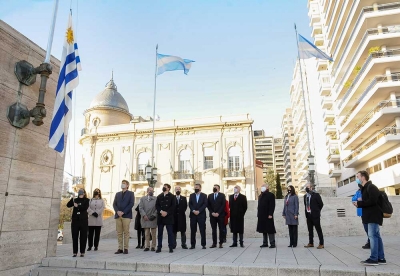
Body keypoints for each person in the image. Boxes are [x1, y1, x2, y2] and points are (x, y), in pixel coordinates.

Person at [353, 170, 386, 266]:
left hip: (373, 216)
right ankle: (381, 258)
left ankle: (374, 258)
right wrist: (359, 202)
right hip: (368, 216)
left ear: (363, 177)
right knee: (376, 236)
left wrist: (359, 203)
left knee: (372, 236)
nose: (357, 179)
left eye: (358, 176)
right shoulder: (364, 188)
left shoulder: (371, 187)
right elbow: (368, 201)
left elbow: (372, 201)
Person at [112, 180, 135, 254]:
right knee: (119, 233)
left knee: (126, 232)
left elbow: (131, 204)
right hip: (118, 215)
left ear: (127, 185)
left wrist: (123, 212)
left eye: (124, 183)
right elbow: (114, 204)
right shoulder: (117, 194)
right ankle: (120, 248)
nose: (123, 185)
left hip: (126, 216)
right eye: (122, 183)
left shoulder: (131, 194)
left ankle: (126, 248)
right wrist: (117, 211)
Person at [67, 188, 89, 257]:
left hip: (83, 221)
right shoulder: (75, 200)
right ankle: (75, 252)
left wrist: (78, 206)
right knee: (75, 236)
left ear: (84, 193)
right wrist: (72, 198)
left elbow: (84, 207)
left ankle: (82, 252)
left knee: (83, 237)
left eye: (82, 192)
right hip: (75, 220)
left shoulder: (87, 200)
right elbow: (68, 205)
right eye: (79, 192)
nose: (80, 193)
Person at [156, 183, 176, 253]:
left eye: (165, 187)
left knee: (170, 233)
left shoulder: (172, 196)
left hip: (169, 217)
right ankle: (159, 247)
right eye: (163, 186)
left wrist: (167, 212)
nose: (164, 187)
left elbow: (173, 206)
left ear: (168, 188)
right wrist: (161, 211)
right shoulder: (159, 196)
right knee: (160, 233)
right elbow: (157, 206)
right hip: (161, 217)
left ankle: (170, 247)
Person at [303, 183, 324, 249]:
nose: (307, 188)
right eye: (306, 187)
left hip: (315, 215)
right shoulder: (305, 196)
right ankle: (311, 242)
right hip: (308, 215)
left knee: (318, 229)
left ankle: (321, 243)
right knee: (310, 230)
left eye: (308, 187)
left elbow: (321, 204)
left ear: (311, 188)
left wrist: (317, 211)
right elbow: (305, 205)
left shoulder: (316, 195)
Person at [189, 183, 208, 249]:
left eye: (197, 187)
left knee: (202, 230)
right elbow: (190, 204)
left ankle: (203, 244)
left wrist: (199, 211)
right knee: (193, 230)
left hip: (201, 215)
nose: (195, 188)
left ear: (200, 188)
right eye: (195, 187)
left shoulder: (204, 195)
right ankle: (192, 244)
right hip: (193, 215)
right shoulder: (191, 195)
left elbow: (205, 204)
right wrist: (193, 210)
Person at [257, 184, 276, 248]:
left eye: (263, 187)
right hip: (261, 215)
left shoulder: (271, 195)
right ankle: (265, 243)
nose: (262, 188)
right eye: (261, 187)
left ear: (267, 188)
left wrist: (270, 214)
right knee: (263, 229)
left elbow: (272, 205)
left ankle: (272, 243)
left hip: (268, 215)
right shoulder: (260, 195)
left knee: (270, 230)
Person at [139, 187, 158, 252]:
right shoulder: (142, 199)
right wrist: (144, 215)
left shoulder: (156, 199)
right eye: (150, 190)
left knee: (153, 233)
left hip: (153, 218)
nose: (151, 192)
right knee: (146, 233)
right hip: (145, 218)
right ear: (147, 191)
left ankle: (153, 246)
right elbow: (140, 208)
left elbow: (157, 208)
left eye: (152, 191)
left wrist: (154, 215)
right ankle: (147, 246)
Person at [207, 184, 226, 248]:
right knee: (213, 230)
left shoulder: (222, 195)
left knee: (221, 229)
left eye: (216, 188)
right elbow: (208, 205)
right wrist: (212, 212)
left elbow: (223, 205)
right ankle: (214, 243)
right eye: (214, 187)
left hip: (220, 215)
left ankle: (221, 243)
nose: (214, 188)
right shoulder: (210, 196)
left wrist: (218, 213)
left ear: (218, 189)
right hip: (212, 216)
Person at [352, 184, 370, 249]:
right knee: (366, 228)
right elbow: (353, 199)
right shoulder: (358, 192)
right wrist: (357, 200)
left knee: (370, 228)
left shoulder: (369, 190)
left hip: (369, 212)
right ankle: (370, 241)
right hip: (362, 212)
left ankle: (371, 242)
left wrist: (361, 200)